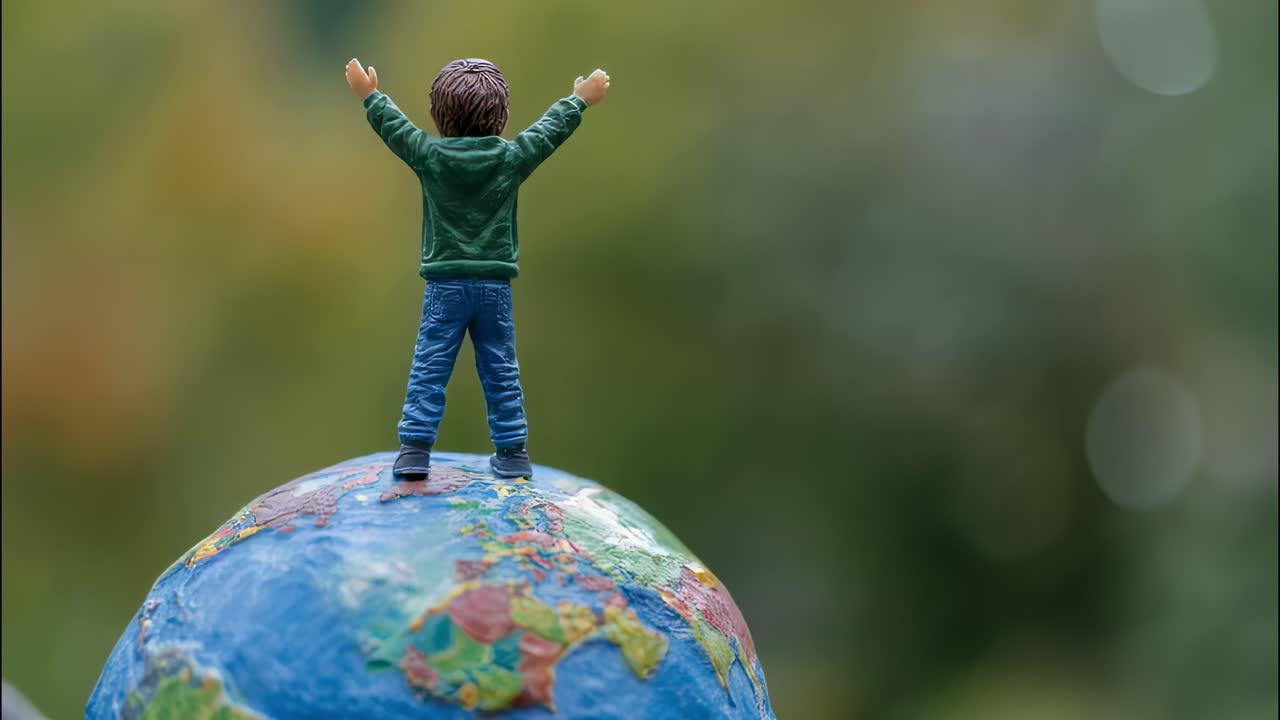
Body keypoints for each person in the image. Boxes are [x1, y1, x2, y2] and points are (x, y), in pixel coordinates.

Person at [345, 57, 610, 479]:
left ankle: (414, 450)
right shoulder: (509, 159)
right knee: (500, 367)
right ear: (501, 115)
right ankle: (513, 452)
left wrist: (369, 95)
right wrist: (579, 99)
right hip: (494, 285)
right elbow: (547, 132)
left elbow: (393, 127)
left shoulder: (429, 154)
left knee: (430, 364)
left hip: (445, 284)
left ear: (438, 113)